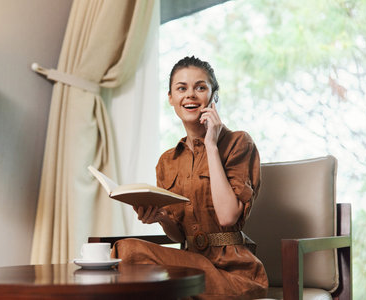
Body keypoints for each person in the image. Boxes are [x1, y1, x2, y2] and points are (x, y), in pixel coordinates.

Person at [112, 56, 268, 299]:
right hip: (190, 269)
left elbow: (227, 217)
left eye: (201, 87)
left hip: (234, 277)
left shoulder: (239, 143)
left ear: (214, 96)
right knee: (126, 251)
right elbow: (179, 236)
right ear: (171, 98)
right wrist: (162, 217)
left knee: (130, 254)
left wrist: (211, 145)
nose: (190, 95)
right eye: (181, 88)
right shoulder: (167, 161)